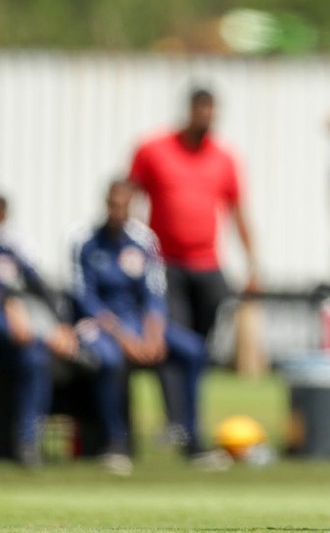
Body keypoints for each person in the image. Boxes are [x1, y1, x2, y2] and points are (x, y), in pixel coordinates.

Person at [128, 87, 260, 447]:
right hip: (165, 265)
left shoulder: (223, 158)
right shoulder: (154, 150)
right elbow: (130, 199)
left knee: (199, 349)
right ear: (189, 111)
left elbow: (237, 212)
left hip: (207, 266)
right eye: (200, 111)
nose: (205, 119)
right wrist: (132, 251)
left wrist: (252, 263)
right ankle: (177, 424)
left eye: (211, 112)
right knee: (174, 342)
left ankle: (189, 417)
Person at [71, 180, 225, 474]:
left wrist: (154, 334)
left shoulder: (143, 240)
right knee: (111, 359)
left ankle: (191, 437)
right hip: (100, 324)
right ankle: (116, 442)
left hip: (139, 322)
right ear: (105, 203)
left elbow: (155, 293)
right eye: (113, 204)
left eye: (124, 205)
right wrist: (124, 337)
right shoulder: (85, 240)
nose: (118, 211)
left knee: (193, 350)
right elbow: (85, 297)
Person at [0, 193, 79, 466]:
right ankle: (40, 338)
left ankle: (27, 442)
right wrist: (8, 306)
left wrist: (62, 325)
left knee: (34, 359)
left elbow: (41, 287)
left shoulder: (7, 254)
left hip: (7, 340)